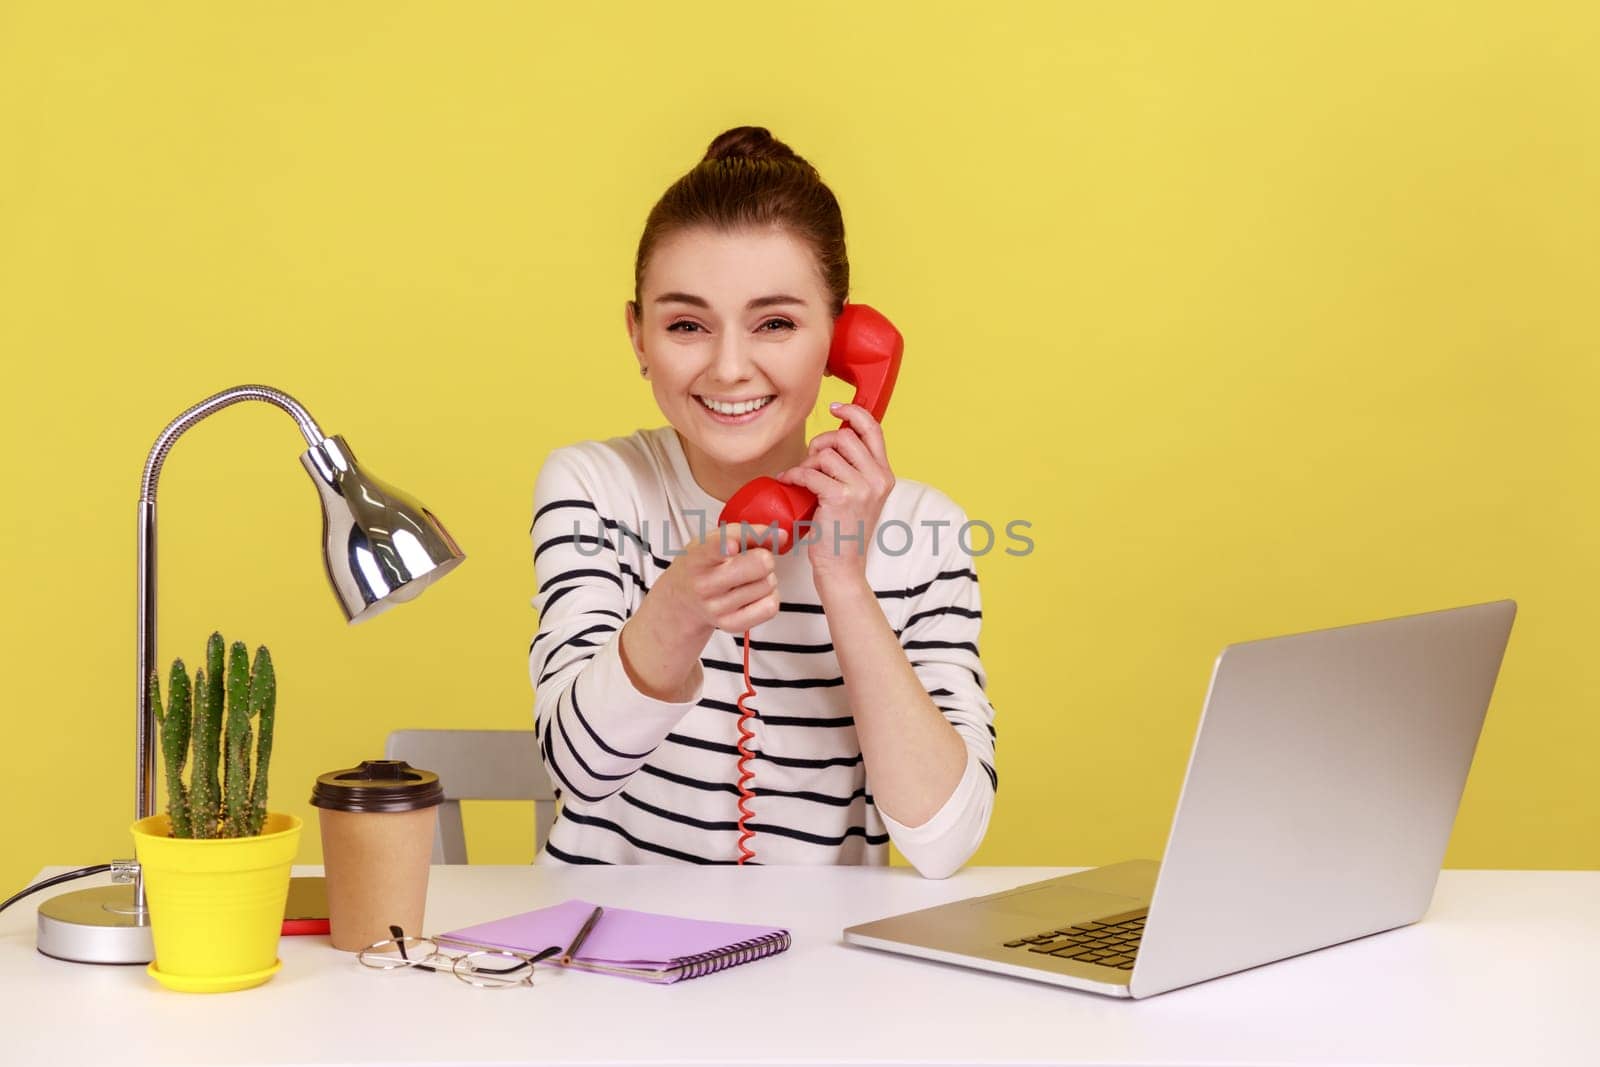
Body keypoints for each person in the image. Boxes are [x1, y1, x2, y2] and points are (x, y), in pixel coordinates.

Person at [528, 125, 996, 877]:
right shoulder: (592, 485)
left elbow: (943, 843)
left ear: (845, 342)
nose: (730, 367)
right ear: (638, 335)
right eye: (686, 324)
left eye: (775, 323)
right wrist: (679, 606)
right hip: (605, 960)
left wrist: (844, 578)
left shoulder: (925, 528)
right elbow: (578, 771)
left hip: (815, 979)